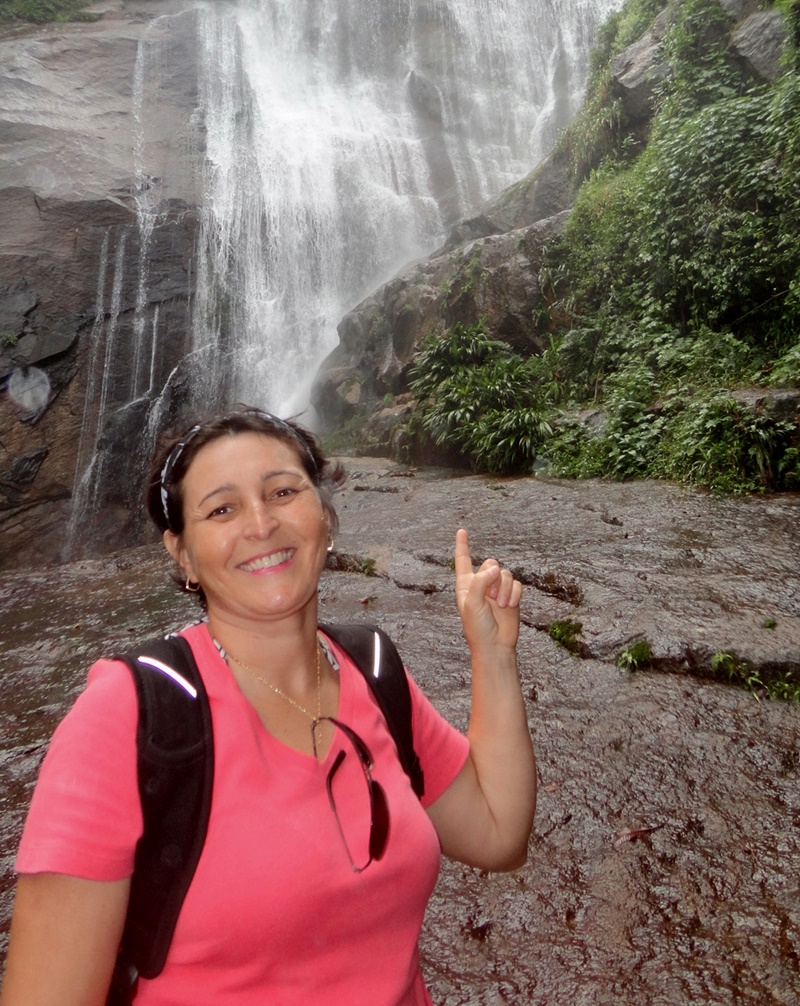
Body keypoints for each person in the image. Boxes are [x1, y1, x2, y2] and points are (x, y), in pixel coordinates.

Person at [2, 406, 537, 1006]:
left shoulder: (374, 672)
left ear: (324, 516)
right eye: (222, 509)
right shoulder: (127, 715)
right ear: (181, 553)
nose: (261, 524)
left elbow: (499, 834)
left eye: (283, 491)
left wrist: (492, 654)